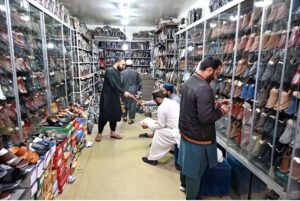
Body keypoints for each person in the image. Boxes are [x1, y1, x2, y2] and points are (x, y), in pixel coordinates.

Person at [177, 57, 230, 199]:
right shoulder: (205, 88)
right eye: (216, 73)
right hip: (199, 137)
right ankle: (191, 197)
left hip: (187, 131)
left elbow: (193, 107)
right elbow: (205, 118)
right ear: (209, 70)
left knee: (186, 165)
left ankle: (183, 185)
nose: (216, 77)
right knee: (195, 171)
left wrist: (214, 104)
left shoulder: (190, 81)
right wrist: (222, 111)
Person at [95, 58, 132, 142]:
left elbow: (119, 85)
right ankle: (99, 133)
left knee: (114, 114)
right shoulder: (109, 70)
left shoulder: (118, 72)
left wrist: (124, 93)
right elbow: (113, 84)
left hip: (115, 96)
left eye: (124, 65)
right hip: (107, 97)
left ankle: (113, 132)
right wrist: (123, 92)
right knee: (104, 114)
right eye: (122, 65)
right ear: (118, 62)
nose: (123, 67)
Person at [140, 89, 180, 165]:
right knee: (160, 130)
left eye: (155, 101)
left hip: (175, 132)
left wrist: (148, 125)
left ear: (157, 99)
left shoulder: (161, 108)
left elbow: (161, 126)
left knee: (158, 133)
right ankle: (162, 152)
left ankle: (152, 158)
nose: (155, 103)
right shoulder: (173, 103)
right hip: (179, 128)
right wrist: (158, 120)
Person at [121, 59, 142, 124]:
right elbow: (139, 82)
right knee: (132, 105)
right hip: (133, 90)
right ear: (132, 65)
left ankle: (124, 117)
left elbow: (120, 82)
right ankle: (131, 119)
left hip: (124, 91)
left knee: (124, 104)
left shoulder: (122, 72)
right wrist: (139, 90)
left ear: (126, 65)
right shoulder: (136, 72)